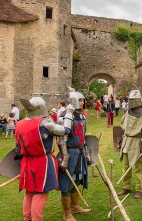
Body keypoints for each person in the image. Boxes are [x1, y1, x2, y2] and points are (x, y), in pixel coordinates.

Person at [15, 97, 67, 221]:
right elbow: (65, 131)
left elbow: (17, 147)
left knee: (29, 192)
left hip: (26, 162)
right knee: (40, 193)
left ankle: (27, 218)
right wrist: (68, 113)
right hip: (42, 163)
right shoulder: (43, 123)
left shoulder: (19, 124)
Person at [58, 90, 91, 220]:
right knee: (66, 182)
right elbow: (61, 138)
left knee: (77, 179)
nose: (83, 102)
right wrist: (64, 156)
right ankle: (67, 213)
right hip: (69, 153)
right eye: (81, 100)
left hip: (80, 152)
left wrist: (87, 151)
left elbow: (83, 136)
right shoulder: (64, 116)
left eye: (83, 100)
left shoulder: (82, 117)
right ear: (74, 101)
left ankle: (74, 206)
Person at [117, 90, 142, 199]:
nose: (130, 102)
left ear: (137, 100)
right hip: (127, 141)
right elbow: (123, 126)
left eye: (132, 100)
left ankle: (138, 189)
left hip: (137, 142)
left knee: (138, 168)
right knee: (126, 166)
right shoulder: (127, 112)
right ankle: (126, 187)